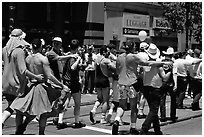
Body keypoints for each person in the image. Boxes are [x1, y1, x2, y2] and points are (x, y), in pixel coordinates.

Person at [10, 38, 69, 135]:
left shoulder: (27, 58)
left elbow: (25, 72)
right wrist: (61, 85)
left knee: (31, 111)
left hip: (31, 86)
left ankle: (23, 126)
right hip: (42, 88)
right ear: (41, 46)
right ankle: (41, 133)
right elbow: (49, 75)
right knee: (44, 113)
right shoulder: (42, 58)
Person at [112, 41, 170, 135]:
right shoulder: (134, 57)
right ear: (132, 47)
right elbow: (147, 63)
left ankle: (116, 120)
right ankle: (133, 127)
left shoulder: (119, 57)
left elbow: (117, 71)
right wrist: (163, 63)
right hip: (132, 83)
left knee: (121, 106)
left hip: (121, 83)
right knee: (133, 107)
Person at [2, 29, 44, 129]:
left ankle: (18, 131)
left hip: (5, 83)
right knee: (15, 108)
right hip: (16, 84)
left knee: (14, 107)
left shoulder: (4, 49)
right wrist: (36, 77)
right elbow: (23, 71)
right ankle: (2, 121)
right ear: (20, 38)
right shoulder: (19, 51)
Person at [139, 43, 172, 135]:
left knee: (153, 109)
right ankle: (144, 129)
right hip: (155, 88)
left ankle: (157, 130)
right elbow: (164, 78)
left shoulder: (145, 63)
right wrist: (169, 71)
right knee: (153, 110)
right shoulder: (158, 65)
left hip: (146, 88)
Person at [46, 37, 76, 128]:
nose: (56, 45)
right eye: (55, 43)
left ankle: (55, 117)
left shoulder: (59, 52)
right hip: (52, 79)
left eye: (58, 43)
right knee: (55, 99)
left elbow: (61, 55)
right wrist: (70, 56)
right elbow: (59, 58)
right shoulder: (51, 53)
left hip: (58, 79)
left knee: (59, 99)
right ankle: (43, 116)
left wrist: (68, 54)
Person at [61, 39, 86, 128]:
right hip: (73, 83)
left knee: (65, 102)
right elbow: (72, 67)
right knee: (77, 103)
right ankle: (77, 121)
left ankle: (60, 121)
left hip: (66, 82)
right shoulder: (74, 57)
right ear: (77, 47)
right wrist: (78, 59)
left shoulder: (67, 56)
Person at [90, 45, 115, 124]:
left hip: (97, 80)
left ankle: (93, 109)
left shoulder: (96, 59)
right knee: (105, 100)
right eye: (107, 51)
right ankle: (103, 117)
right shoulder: (106, 60)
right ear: (104, 52)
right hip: (104, 80)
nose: (108, 52)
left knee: (99, 98)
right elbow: (114, 66)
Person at [159, 47, 178, 122]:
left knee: (162, 99)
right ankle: (172, 115)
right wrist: (175, 84)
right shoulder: (173, 63)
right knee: (173, 100)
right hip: (171, 83)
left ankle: (163, 116)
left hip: (162, 82)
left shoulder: (161, 62)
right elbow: (174, 74)